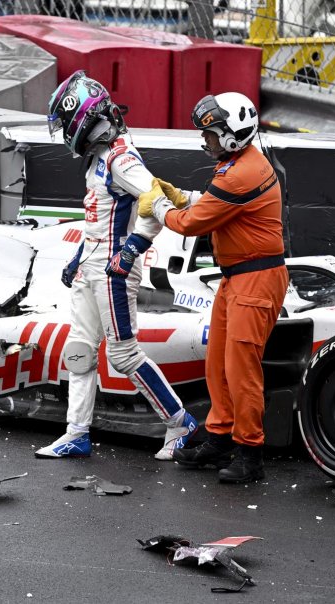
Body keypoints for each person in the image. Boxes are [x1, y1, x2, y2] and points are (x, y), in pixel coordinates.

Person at [34, 70, 198, 461]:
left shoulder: (123, 159)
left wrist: (131, 251)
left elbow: (157, 203)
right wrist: (76, 259)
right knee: (80, 349)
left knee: (123, 355)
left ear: (83, 121)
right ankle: (76, 433)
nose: (63, 134)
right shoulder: (101, 156)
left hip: (113, 270)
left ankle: (180, 422)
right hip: (93, 264)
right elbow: (97, 218)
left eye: (66, 124)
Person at [136, 92, 288, 483]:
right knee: (218, 362)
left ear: (233, 135)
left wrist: (157, 206)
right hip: (239, 277)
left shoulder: (240, 173)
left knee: (241, 370)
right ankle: (220, 436)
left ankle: (250, 453)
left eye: (212, 134)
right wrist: (180, 197)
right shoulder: (239, 164)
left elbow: (191, 224)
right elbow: (212, 204)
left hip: (255, 279)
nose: (206, 141)